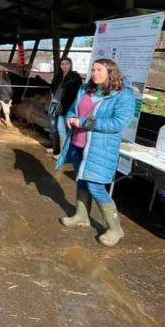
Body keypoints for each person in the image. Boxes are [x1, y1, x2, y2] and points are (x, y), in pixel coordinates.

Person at [56, 58, 135, 247]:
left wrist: (83, 123)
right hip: (77, 144)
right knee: (81, 181)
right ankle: (81, 216)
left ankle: (115, 229)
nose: (95, 73)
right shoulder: (85, 89)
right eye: (93, 70)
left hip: (99, 148)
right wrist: (70, 117)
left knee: (96, 187)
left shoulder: (123, 95)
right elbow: (73, 110)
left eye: (99, 70)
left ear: (111, 72)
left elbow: (118, 124)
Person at [46, 57, 82, 159]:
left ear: (71, 65)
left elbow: (77, 94)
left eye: (67, 64)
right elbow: (52, 89)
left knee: (61, 129)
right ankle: (55, 148)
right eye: (62, 64)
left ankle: (63, 153)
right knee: (53, 127)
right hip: (54, 105)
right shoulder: (58, 76)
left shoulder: (75, 77)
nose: (64, 66)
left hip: (65, 106)